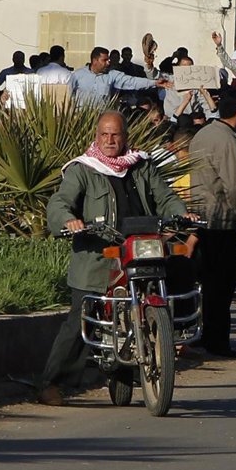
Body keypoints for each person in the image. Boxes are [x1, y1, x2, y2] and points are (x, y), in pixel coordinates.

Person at [37, 111, 188, 406]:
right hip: (98, 256)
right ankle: (50, 383)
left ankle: (165, 343)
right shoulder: (83, 169)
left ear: (125, 137)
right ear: (96, 136)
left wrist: (182, 214)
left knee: (181, 273)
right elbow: (60, 201)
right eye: (104, 134)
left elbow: (165, 197)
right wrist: (68, 220)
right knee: (81, 318)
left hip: (139, 250)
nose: (109, 140)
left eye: (115, 134)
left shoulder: (141, 165)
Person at [188, 91, 236, 357]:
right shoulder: (226, 139)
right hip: (222, 218)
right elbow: (234, 185)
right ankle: (217, 341)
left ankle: (206, 335)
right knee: (221, 285)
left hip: (201, 215)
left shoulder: (202, 134)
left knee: (208, 284)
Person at [69, 47, 168, 105]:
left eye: (108, 60)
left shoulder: (112, 75)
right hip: (81, 120)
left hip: (102, 119)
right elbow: (68, 96)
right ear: (95, 61)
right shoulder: (77, 75)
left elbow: (132, 81)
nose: (108, 62)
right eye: (104, 60)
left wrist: (154, 82)